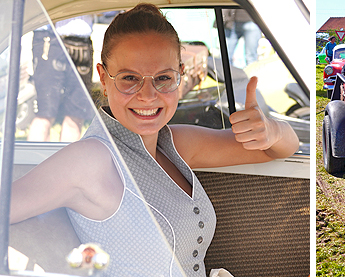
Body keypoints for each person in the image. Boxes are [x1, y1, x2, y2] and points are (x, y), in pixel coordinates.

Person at [10, 4, 299, 275]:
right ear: (103, 77)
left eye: (163, 78)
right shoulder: (90, 159)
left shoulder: (175, 143)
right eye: (128, 78)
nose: (148, 95)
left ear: (180, 76)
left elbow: (277, 150)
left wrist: (271, 129)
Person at [28, 15, 95, 142]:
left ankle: (66, 161)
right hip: (50, 37)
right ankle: (36, 160)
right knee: (45, 114)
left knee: (76, 115)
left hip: (82, 40)